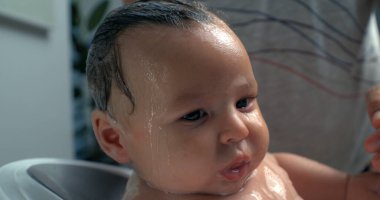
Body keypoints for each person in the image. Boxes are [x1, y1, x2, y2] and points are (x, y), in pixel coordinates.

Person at [86, 1, 380, 199]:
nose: (238, 129)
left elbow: (351, 190)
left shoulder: (273, 167)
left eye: (244, 102)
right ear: (116, 138)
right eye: (194, 115)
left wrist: (359, 186)